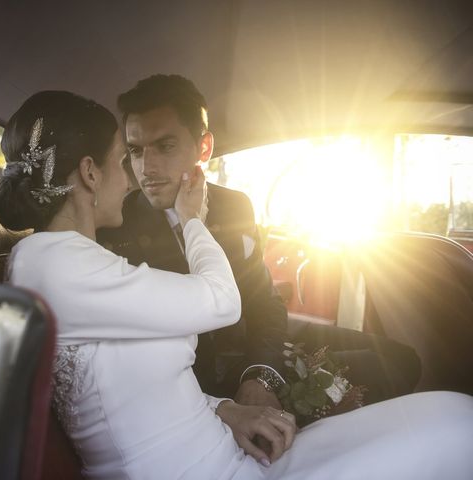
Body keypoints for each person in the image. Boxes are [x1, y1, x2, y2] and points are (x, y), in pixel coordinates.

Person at [0, 90, 473, 479]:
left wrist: (239, 399)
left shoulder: (73, 258)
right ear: (91, 173)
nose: (135, 174)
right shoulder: (55, 262)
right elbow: (222, 302)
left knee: (446, 409)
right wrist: (192, 222)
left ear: (202, 148)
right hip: (194, 464)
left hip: (220, 438)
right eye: (127, 157)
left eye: (163, 147)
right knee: (455, 429)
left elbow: (148, 380)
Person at [97, 74, 421, 411]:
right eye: (135, 151)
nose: (146, 168)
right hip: (203, 380)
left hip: (257, 345)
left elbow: (264, 302)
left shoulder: (234, 205)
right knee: (373, 374)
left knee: (401, 360)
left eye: (165, 146)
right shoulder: (117, 228)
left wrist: (261, 374)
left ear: (204, 148)